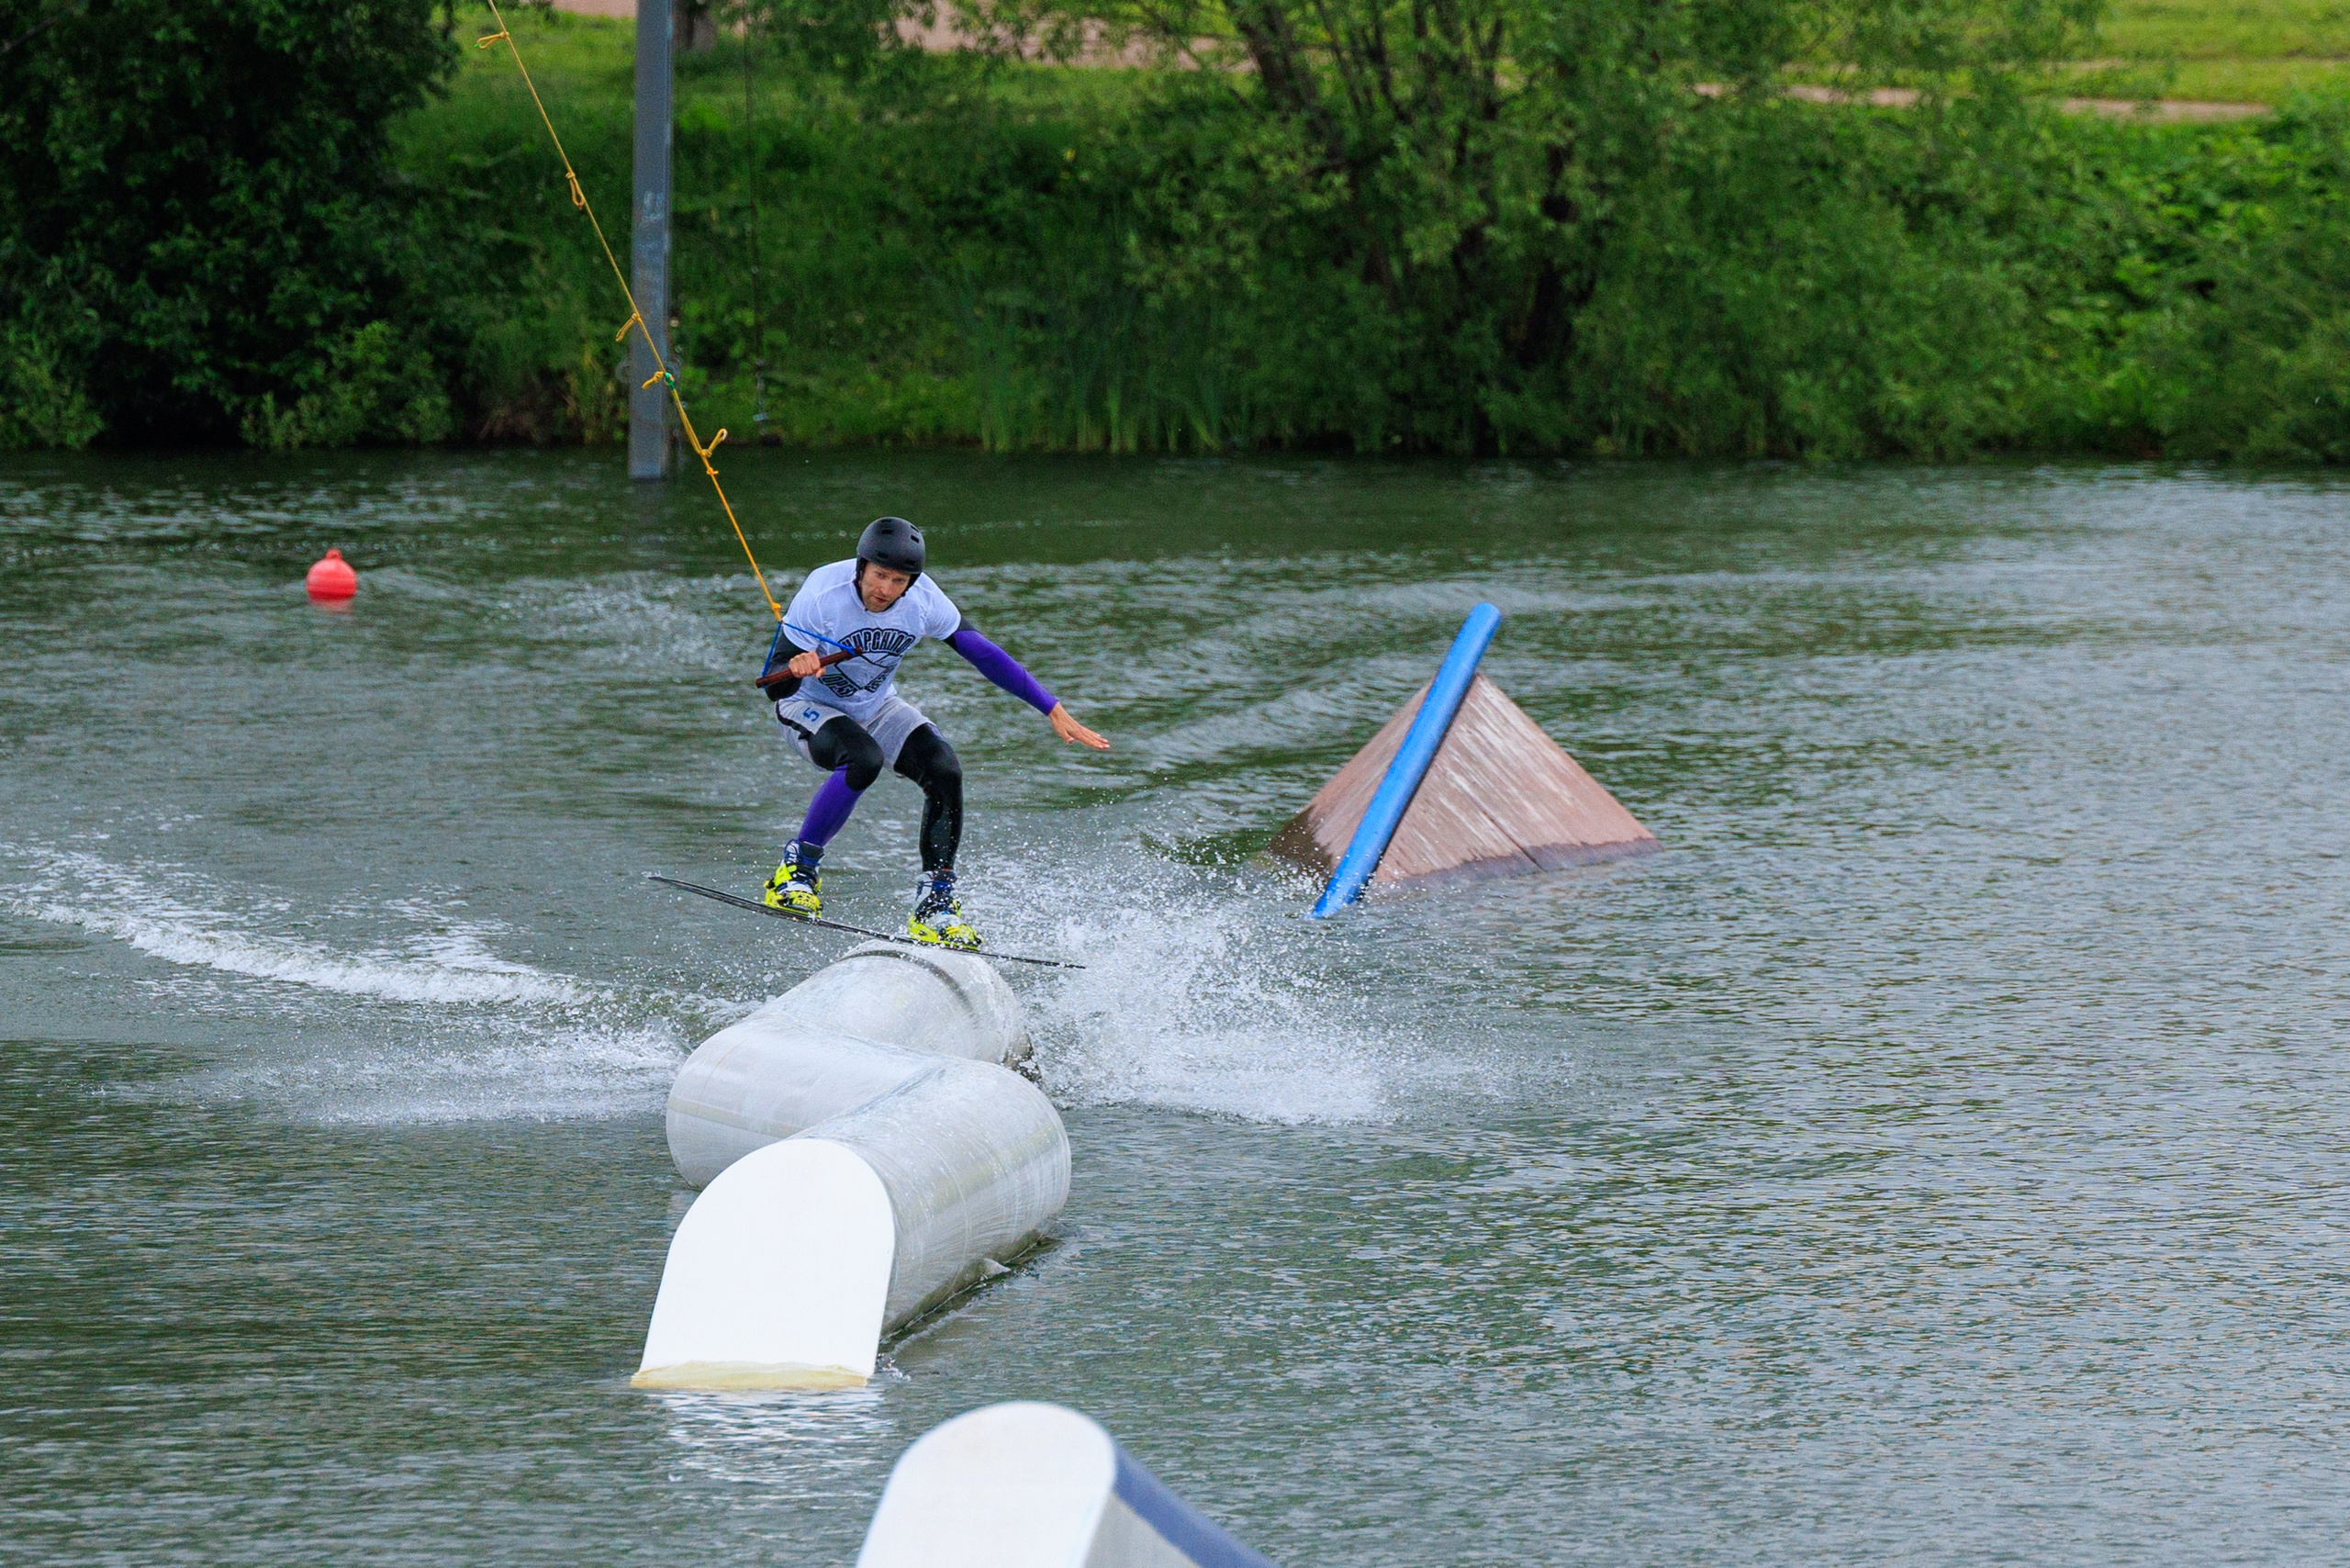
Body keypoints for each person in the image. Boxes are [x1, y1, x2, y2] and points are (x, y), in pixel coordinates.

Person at [753, 516, 1109, 948]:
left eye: (897, 580)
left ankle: (935, 903)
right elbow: (773, 685)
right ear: (861, 567)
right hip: (807, 705)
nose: (885, 589)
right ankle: (797, 871)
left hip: (877, 706)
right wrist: (794, 669)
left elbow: (982, 652)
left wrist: (1049, 706)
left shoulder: (923, 600)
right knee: (862, 759)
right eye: (879, 575)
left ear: (911, 582)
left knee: (944, 768)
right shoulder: (822, 593)